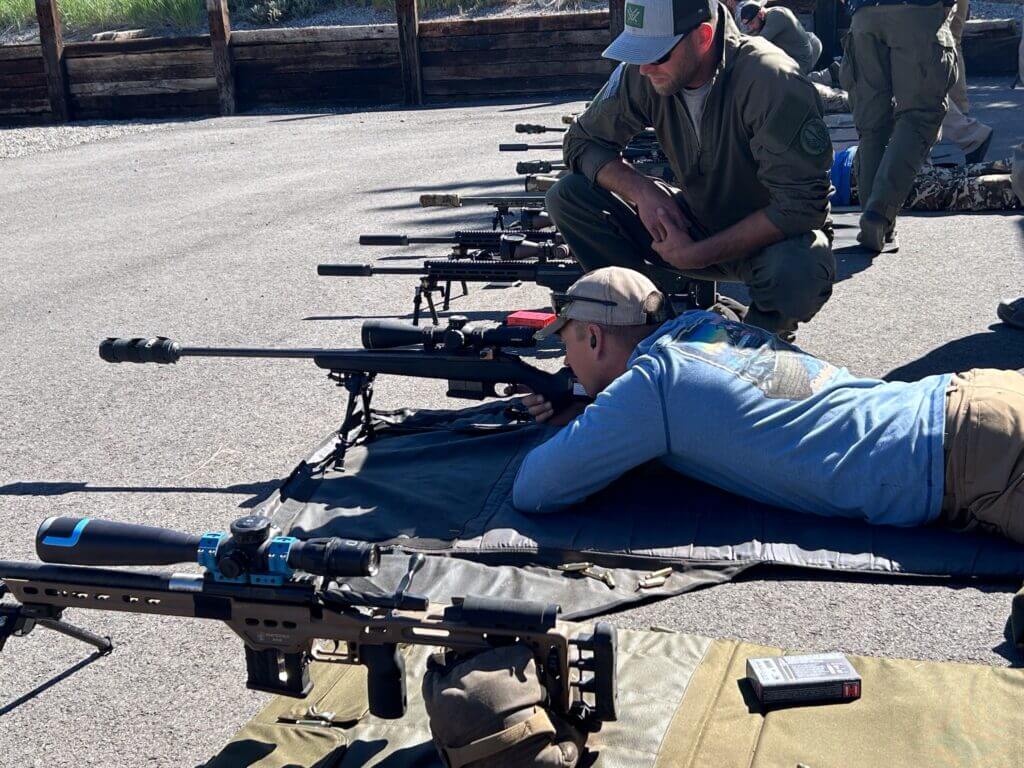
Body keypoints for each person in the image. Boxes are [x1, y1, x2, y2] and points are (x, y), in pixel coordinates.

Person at [512, 267, 1024, 546]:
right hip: (969, 398)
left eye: (568, 345)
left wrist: (585, 416)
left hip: (974, 463)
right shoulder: (708, 328)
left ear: (595, 338)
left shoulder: (652, 386)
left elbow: (536, 488)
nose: (567, 360)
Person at [546, 0, 835, 337]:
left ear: (703, 37)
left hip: (768, 241)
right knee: (568, 196)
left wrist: (696, 254)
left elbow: (801, 206)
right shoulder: (646, 71)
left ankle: (758, 347)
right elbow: (581, 141)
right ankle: (649, 330)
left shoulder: (770, 78)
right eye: (637, 54)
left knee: (800, 267)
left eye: (656, 55)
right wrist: (642, 191)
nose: (643, 69)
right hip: (693, 222)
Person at [839, 0, 957, 252]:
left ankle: (877, 220)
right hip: (917, 12)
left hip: (864, 17)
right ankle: (878, 215)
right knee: (919, 117)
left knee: (872, 126)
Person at [735, 0, 821, 76]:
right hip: (791, 59)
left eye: (752, 23)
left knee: (777, 84)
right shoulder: (762, 19)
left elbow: (759, 42)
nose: (751, 27)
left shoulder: (776, 16)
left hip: (801, 61)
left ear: (760, 14)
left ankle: (825, 77)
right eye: (748, 25)